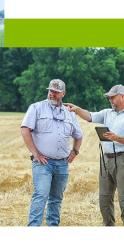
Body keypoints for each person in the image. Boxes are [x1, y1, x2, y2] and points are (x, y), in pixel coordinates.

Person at [20, 79, 83, 226]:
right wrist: (35, 154)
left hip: (62, 164)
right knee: (41, 195)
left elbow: (79, 135)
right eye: (50, 90)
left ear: (63, 93)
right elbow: (25, 130)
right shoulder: (36, 108)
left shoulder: (69, 113)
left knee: (56, 199)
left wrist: (75, 151)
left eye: (55, 91)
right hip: (43, 163)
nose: (52, 94)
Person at [65, 84, 124, 226]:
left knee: (123, 199)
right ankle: (108, 227)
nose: (110, 100)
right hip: (105, 160)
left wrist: (117, 138)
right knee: (104, 198)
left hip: (122, 160)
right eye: (109, 97)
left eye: (113, 97)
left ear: (122, 96)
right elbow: (90, 116)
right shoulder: (107, 113)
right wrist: (77, 109)